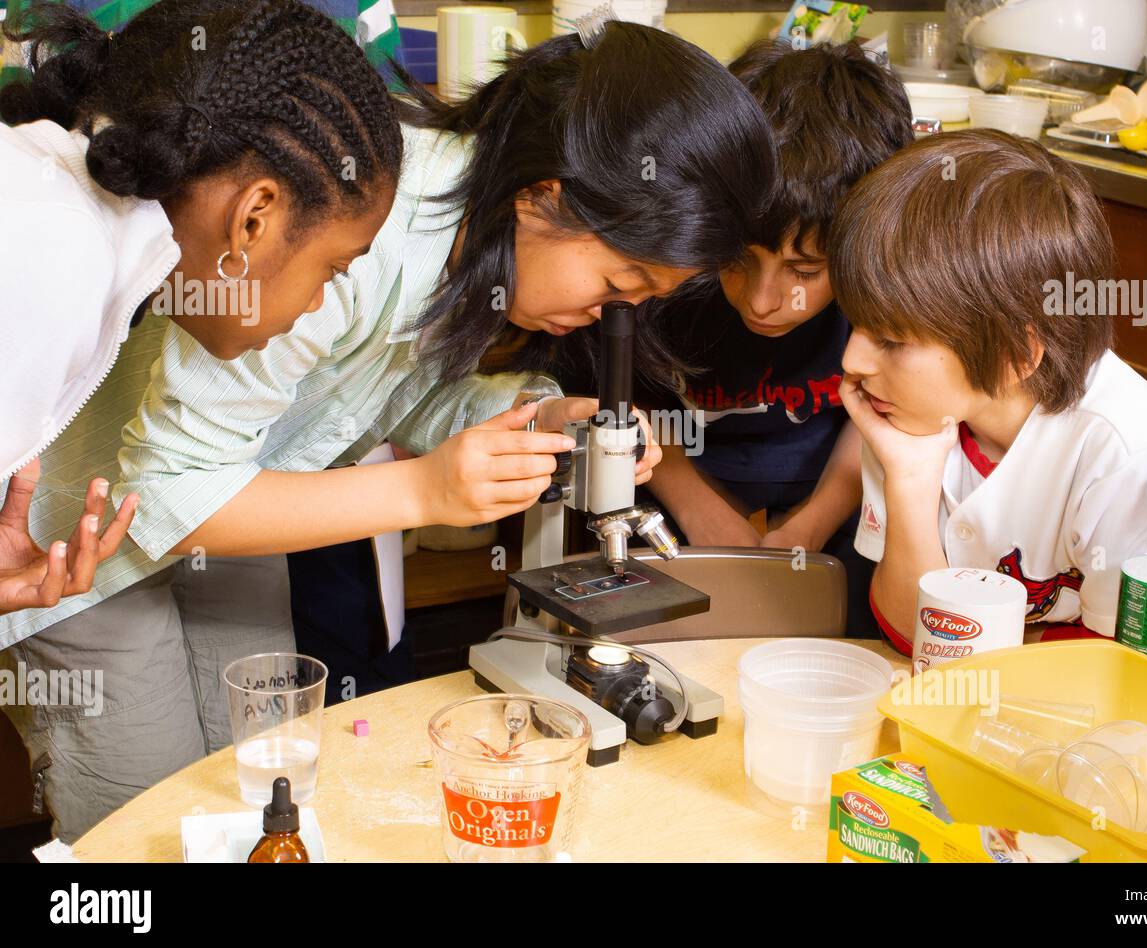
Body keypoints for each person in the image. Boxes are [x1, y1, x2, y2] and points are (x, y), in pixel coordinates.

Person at [0, 18, 777, 839]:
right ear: (545, 194)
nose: (611, 313)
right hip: (78, 545)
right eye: (621, 282)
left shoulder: (464, 228)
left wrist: (539, 420)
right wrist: (424, 488)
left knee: (266, 786)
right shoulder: (340, 226)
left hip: (236, 525)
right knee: (150, 822)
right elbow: (168, 488)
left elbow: (384, 398)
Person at [829, 129, 1147, 698]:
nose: (852, 359)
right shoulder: (910, 417)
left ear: (1015, 355)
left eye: (891, 339)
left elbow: (1129, 689)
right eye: (856, 325)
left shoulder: (1128, 454)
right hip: (1026, 710)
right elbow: (913, 636)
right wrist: (909, 479)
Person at [0, 0, 406, 614]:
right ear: (252, 219)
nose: (321, 300)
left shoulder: (73, 223)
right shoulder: (58, 253)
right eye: (332, 269)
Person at [642, 39, 912, 637]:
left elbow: (874, 417)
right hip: (668, 509)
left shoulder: (887, 289)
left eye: (805, 272)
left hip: (836, 509)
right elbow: (618, 401)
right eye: (737, 260)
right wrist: (695, 505)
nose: (763, 301)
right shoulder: (668, 269)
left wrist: (811, 526)